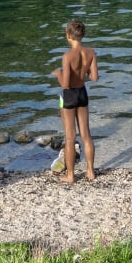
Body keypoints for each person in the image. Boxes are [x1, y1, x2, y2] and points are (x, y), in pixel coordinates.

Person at [52, 19, 99, 184]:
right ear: (82, 35)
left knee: (70, 137)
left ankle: (71, 175)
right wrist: (83, 72)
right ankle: (90, 171)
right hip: (82, 92)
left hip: (69, 95)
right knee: (86, 135)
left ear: (68, 35)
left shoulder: (67, 56)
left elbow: (65, 84)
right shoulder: (91, 53)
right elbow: (94, 77)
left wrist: (58, 73)